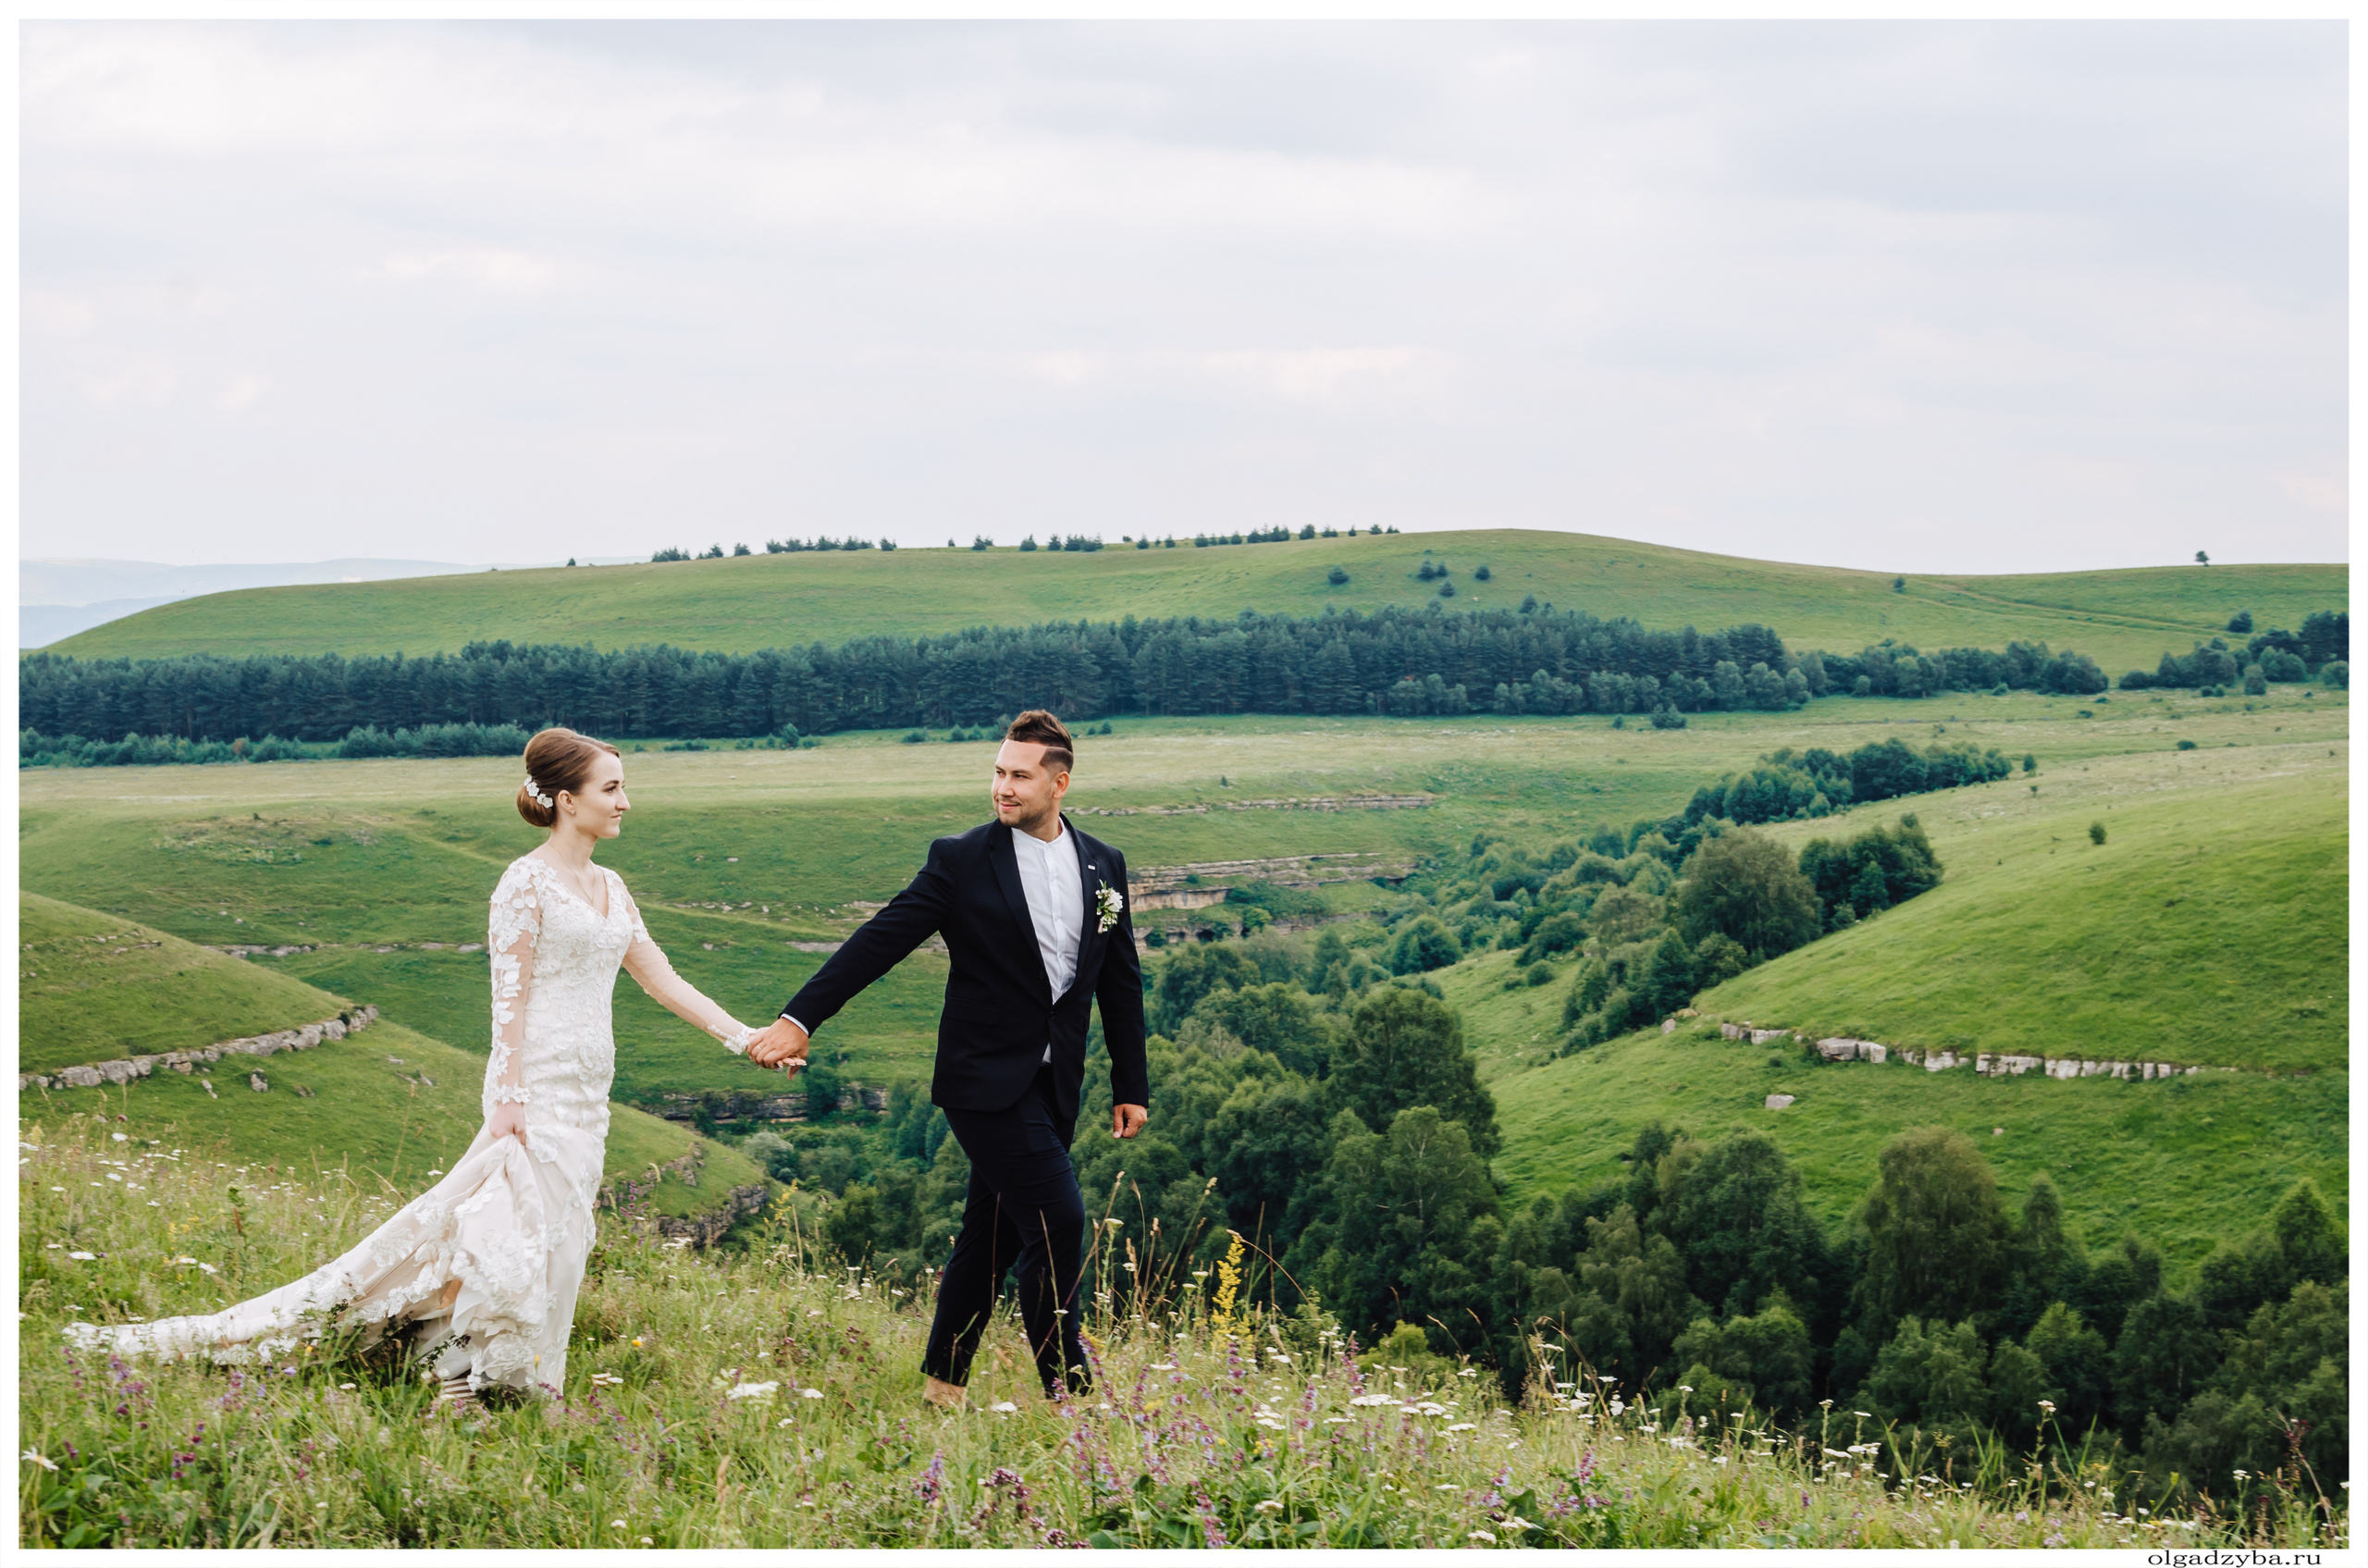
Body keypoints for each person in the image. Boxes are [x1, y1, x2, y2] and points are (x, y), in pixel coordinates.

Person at [66, 728, 768, 1410]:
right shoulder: (524, 882)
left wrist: (747, 1040)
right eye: (611, 788)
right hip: (536, 1086)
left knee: (560, 1240)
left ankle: (493, 1370)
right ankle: (466, 1372)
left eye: (623, 788)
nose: (624, 802)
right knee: (512, 1232)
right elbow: (509, 997)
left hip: (591, 1094)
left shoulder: (611, 885)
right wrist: (509, 1093)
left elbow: (660, 978)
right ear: (565, 799)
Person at [746, 709, 1149, 1407]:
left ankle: (942, 1388)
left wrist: (1130, 1082)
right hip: (981, 1079)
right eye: (998, 772)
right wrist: (799, 1018)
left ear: (1059, 784)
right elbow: (881, 940)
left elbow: (1120, 979)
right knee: (1058, 1219)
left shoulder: (1103, 864)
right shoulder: (960, 859)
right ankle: (1072, 1395)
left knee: (989, 1238)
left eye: (1019, 775)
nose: (1002, 787)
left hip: (1057, 1081)